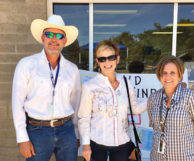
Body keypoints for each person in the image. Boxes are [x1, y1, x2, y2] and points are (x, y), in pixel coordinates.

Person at [12, 15, 81, 161]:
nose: (54, 39)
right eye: (49, 34)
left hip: (66, 130)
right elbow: (17, 103)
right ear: (43, 38)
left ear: (65, 41)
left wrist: (76, 133)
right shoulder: (26, 65)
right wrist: (22, 138)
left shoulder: (72, 69)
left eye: (59, 35)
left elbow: (76, 103)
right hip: (37, 131)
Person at [78, 40, 147, 161]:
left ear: (118, 59)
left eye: (111, 57)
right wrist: (85, 145)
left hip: (123, 144)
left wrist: (156, 97)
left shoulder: (125, 82)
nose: (107, 62)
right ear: (97, 62)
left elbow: (135, 109)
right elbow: (84, 117)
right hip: (97, 144)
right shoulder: (90, 86)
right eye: (102, 59)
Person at [147, 56, 194, 161]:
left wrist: (184, 144)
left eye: (172, 73)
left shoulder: (191, 97)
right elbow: (155, 127)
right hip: (158, 157)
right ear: (159, 75)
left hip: (186, 158)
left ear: (180, 75)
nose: (168, 77)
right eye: (164, 73)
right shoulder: (153, 98)